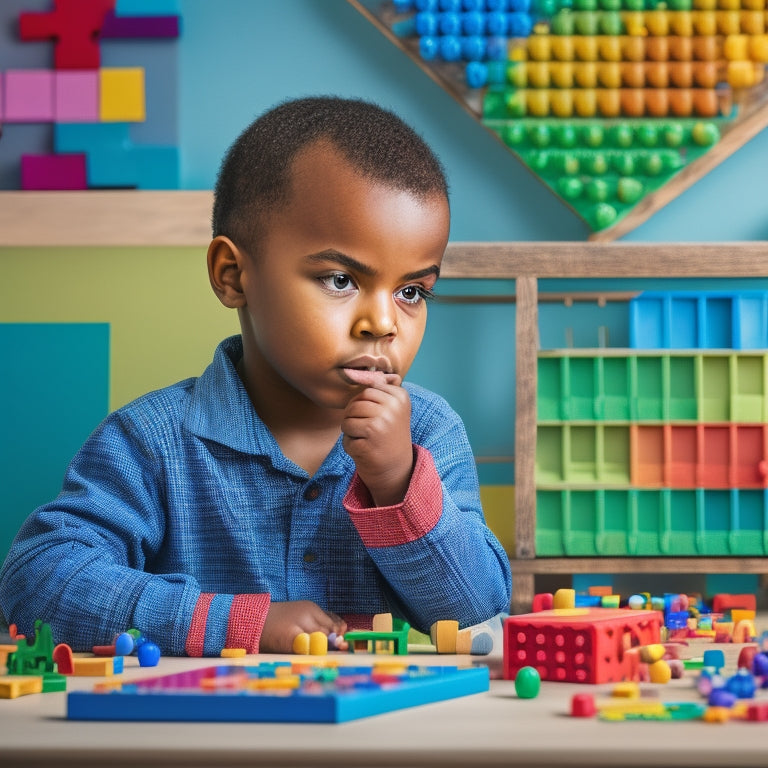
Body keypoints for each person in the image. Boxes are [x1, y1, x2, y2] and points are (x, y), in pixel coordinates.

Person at [0, 96, 512, 655]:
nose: (383, 324)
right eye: (340, 280)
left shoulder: (428, 435)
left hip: (379, 739)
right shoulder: (152, 440)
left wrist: (399, 486)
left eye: (411, 292)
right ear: (232, 276)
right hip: (202, 738)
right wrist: (235, 625)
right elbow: (37, 582)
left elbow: (479, 612)